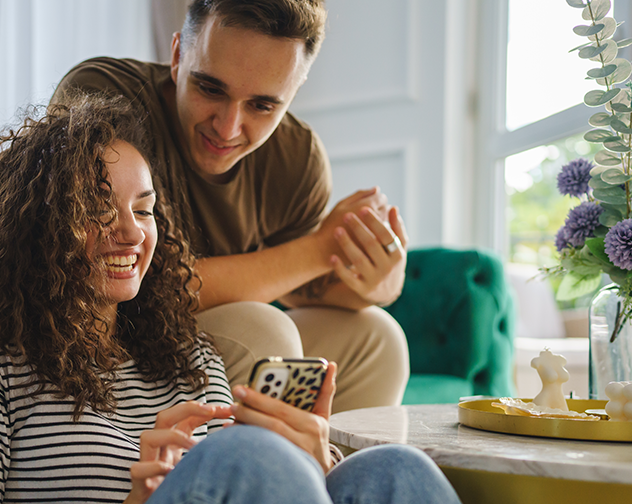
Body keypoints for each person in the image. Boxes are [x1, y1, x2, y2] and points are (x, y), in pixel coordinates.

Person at [0, 94, 457, 504]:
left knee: (393, 469)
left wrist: (316, 461)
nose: (131, 233)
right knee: (244, 455)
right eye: (97, 208)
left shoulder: (185, 351)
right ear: (38, 224)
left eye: (143, 210)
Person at [49, 0, 410, 412]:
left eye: (262, 105)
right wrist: (319, 249)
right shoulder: (102, 97)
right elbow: (142, 285)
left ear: (294, 89)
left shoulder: (297, 157)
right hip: (110, 339)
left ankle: (317, 455)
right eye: (210, 88)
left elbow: (298, 285)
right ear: (177, 56)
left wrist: (381, 283)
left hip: (196, 340)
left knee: (377, 340)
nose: (227, 128)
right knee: (262, 331)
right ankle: (246, 456)